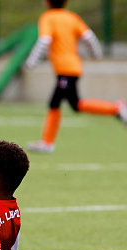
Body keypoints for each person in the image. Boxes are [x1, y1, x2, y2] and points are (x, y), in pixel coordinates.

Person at [25, 0, 127, 153]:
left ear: (46, 2)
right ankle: (47, 142)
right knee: (67, 104)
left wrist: (32, 61)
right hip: (72, 67)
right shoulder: (71, 17)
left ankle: (116, 108)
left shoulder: (48, 17)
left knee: (64, 103)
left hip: (66, 69)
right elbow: (89, 36)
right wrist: (96, 54)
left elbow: (45, 40)